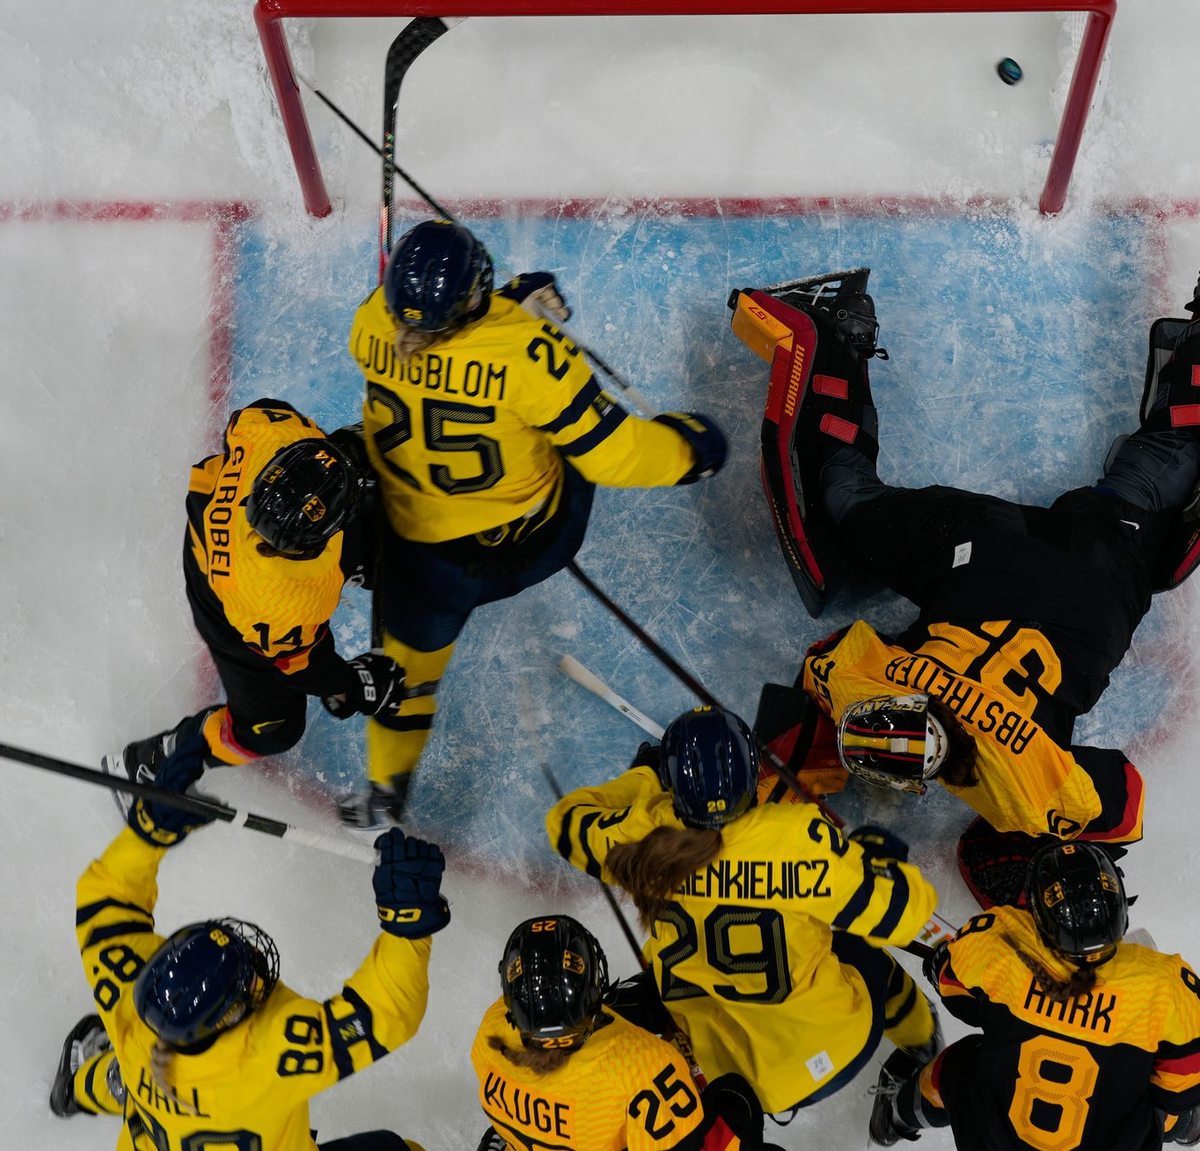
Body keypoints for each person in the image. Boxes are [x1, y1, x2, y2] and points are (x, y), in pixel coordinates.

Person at [727, 271, 1200, 905]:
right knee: (842, 504)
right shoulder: (880, 686)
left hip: (1091, 579)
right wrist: (797, 765)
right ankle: (834, 331)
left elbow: (1126, 802)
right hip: (986, 557)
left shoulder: (1035, 788)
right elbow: (825, 659)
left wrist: (1050, 834)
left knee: (1143, 492)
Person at [343, 218, 728, 827]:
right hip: (530, 542)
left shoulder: (369, 322)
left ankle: (385, 788)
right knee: (577, 441)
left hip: (416, 551)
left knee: (406, 680)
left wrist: (501, 306)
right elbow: (614, 455)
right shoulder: (528, 356)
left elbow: (437, 348)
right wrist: (689, 452)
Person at [52, 723, 448, 1149]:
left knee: (132, 1075)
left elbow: (106, 897)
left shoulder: (128, 1008)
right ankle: (92, 1085)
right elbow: (386, 1014)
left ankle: (75, 1089)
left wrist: (150, 832)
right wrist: (407, 920)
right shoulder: (268, 1055)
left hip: (150, 1096)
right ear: (228, 1020)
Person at [544, 706, 941, 1116]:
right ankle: (924, 1053)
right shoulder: (797, 837)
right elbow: (906, 915)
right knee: (866, 950)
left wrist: (642, 778)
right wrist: (882, 860)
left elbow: (564, 822)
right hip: (829, 1052)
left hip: (734, 1082)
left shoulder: (641, 838)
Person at [104, 398, 408, 807]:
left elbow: (250, 417)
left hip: (217, 515)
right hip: (222, 601)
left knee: (384, 523)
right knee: (272, 727)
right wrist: (347, 684)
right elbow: (300, 666)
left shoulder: (272, 431)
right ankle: (152, 761)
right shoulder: (280, 604)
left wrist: (338, 457)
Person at [869, 841, 1200, 1148]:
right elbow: (1180, 1090)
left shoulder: (997, 940)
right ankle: (1189, 1128)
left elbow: (957, 997)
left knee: (957, 1064)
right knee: (1165, 1095)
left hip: (996, 1140)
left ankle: (895, 1120)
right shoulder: (1169, 985)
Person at [471, 912, 778, 1151]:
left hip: (540, 1136)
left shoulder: (493, 1025)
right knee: (736, 1097)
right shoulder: (646, 1065)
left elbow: (549, 1007)